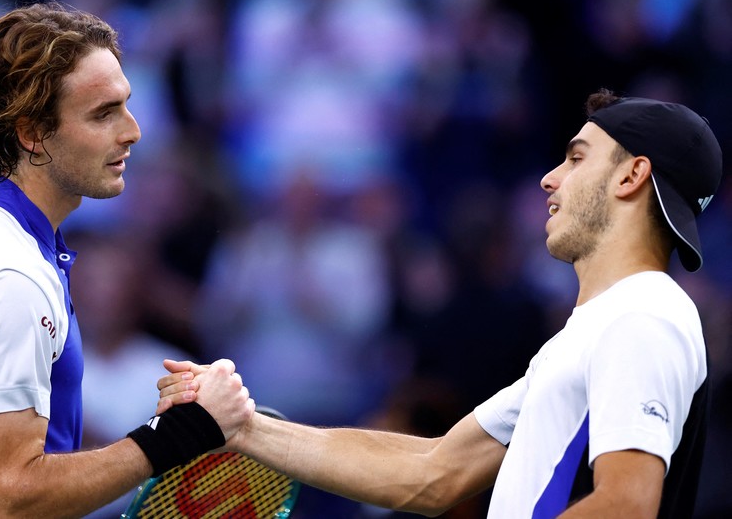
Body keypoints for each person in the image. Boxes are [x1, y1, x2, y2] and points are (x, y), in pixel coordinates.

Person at [158, 89, 722, 518]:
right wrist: (240, 427)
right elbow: (432, 471)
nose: (550, 179)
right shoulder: (594, 332)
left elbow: (625, 506)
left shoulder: (643, 314)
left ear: (632, 175)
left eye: (576, 159)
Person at [0, 1, 254, 518]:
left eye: (125, 104)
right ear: (32, 133)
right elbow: (9, 498)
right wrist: (175, 437)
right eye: (103, 114)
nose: (133, 131)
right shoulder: (9, 275)